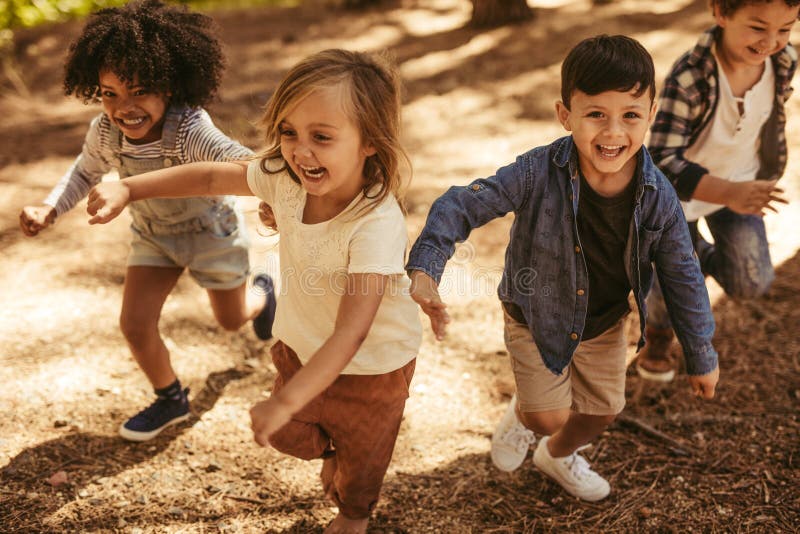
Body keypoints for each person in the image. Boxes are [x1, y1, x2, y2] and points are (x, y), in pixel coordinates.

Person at [84, 49, 421, 534]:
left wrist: (283, 402)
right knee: (287, 435)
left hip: (373, 367)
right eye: (289, 132)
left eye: (321, 137)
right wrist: (130, 189)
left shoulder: (375, 223)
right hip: (300, 345)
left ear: (370, 142)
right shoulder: (285, 177)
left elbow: (351, 334)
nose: (300, 151)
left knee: (363, 464)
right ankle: (333, 449)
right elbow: (206, 174)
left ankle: (353, 516)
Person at [406, 35, 720, 502]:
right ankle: (527, 414)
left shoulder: (658, 198)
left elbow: (682, 276)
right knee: (546, 414)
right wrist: (427, 266)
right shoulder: (536, 172)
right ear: (565, 115)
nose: (613, 132)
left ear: (651, 114)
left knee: (602, 412)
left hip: (605, 321)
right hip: (535, 316)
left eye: (630, 116)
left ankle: (556, 454)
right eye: (596, 114)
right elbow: (463, 204)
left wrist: (700, 352)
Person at [18, 0, 276, 442]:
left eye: (139, 91)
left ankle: (263, 296)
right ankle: (170, 398)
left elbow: (242, 164)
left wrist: (270, 191)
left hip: (210, 233)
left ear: (170, 87)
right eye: (110, 93)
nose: (124, 107)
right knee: (135, 324)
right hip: (153, 238)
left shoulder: (190, 129)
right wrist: (51, 207)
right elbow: (84, 171)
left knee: (232, 320)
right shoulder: (104, 132)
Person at [640, 0, 799, 381]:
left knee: (751, 282)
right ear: (721, 13)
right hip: (679, 197)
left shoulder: (784, 60)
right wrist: (726, 192)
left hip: (740, 184)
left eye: (785, 29)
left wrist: (754, 179)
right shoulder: (691, 75)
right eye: (758, 28)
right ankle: (658, 333)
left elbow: (764, 119)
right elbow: (661, 156)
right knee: (666, 282)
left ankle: (689, 263)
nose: (771, 42)